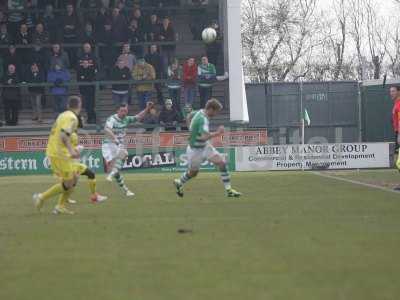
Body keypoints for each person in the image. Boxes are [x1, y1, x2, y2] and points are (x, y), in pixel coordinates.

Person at [32, 96, 100, 215]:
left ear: (68, 105)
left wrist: (72, 149)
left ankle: (60, 206)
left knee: (74, 178)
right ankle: (41, 197)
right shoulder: (72, 118)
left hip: (56, 151)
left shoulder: (63, 115)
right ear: (80, 105)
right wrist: (72, 151)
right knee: (69, 182)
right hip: (60, 153)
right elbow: (64, 136)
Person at [174, 98, 241, 198]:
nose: (216, 114)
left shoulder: (200, 111)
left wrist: (191, 130)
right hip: (195, 150)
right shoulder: (203, 120)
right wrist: (218, 133)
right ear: (210, 109)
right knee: (193, 173)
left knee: (221, 163)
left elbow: (189, 115)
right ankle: (179, 182)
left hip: (204, 146)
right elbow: (204, 136)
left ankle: (229, 190)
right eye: (216, 112)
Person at [102, 102, 154, 197]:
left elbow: (138, 117)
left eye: (126, 111)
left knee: (121, 159)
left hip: (118, 145)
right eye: (122, 111)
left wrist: (147, 108)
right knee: (119, 162)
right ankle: (113, 176)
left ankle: (125, 189)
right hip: (109, 145)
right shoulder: (112, 119)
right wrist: (115, 139)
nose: (124, 113)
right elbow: (106, 129)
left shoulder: (126, 119)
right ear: (118, 111)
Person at [77, 43, 98, 124]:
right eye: (85, 47)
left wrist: (88, 67)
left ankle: (93, 117)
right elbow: (78, 70)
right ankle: (90, 117)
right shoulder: (80, 57)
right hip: (83, 85)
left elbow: (96, 68)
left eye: (88, 47)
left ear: (90, 48)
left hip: (91, 84)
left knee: (92, 102)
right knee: (85, 102)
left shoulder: (93, 57)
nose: (86, 48)